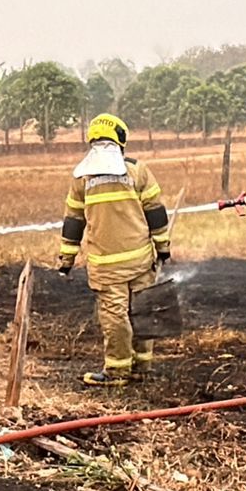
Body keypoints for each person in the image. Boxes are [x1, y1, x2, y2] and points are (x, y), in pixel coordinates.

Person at [58, 114, 171, 387]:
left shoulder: (81, 177)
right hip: (142, 260)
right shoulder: (137, 170)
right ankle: (142, 367)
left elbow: (74, 221)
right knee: (143, 310)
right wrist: (163, 248)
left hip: (106, 267)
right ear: (122, 139)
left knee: (115, 316)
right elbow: (156, 212)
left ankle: (117, 372)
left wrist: (66, 259)